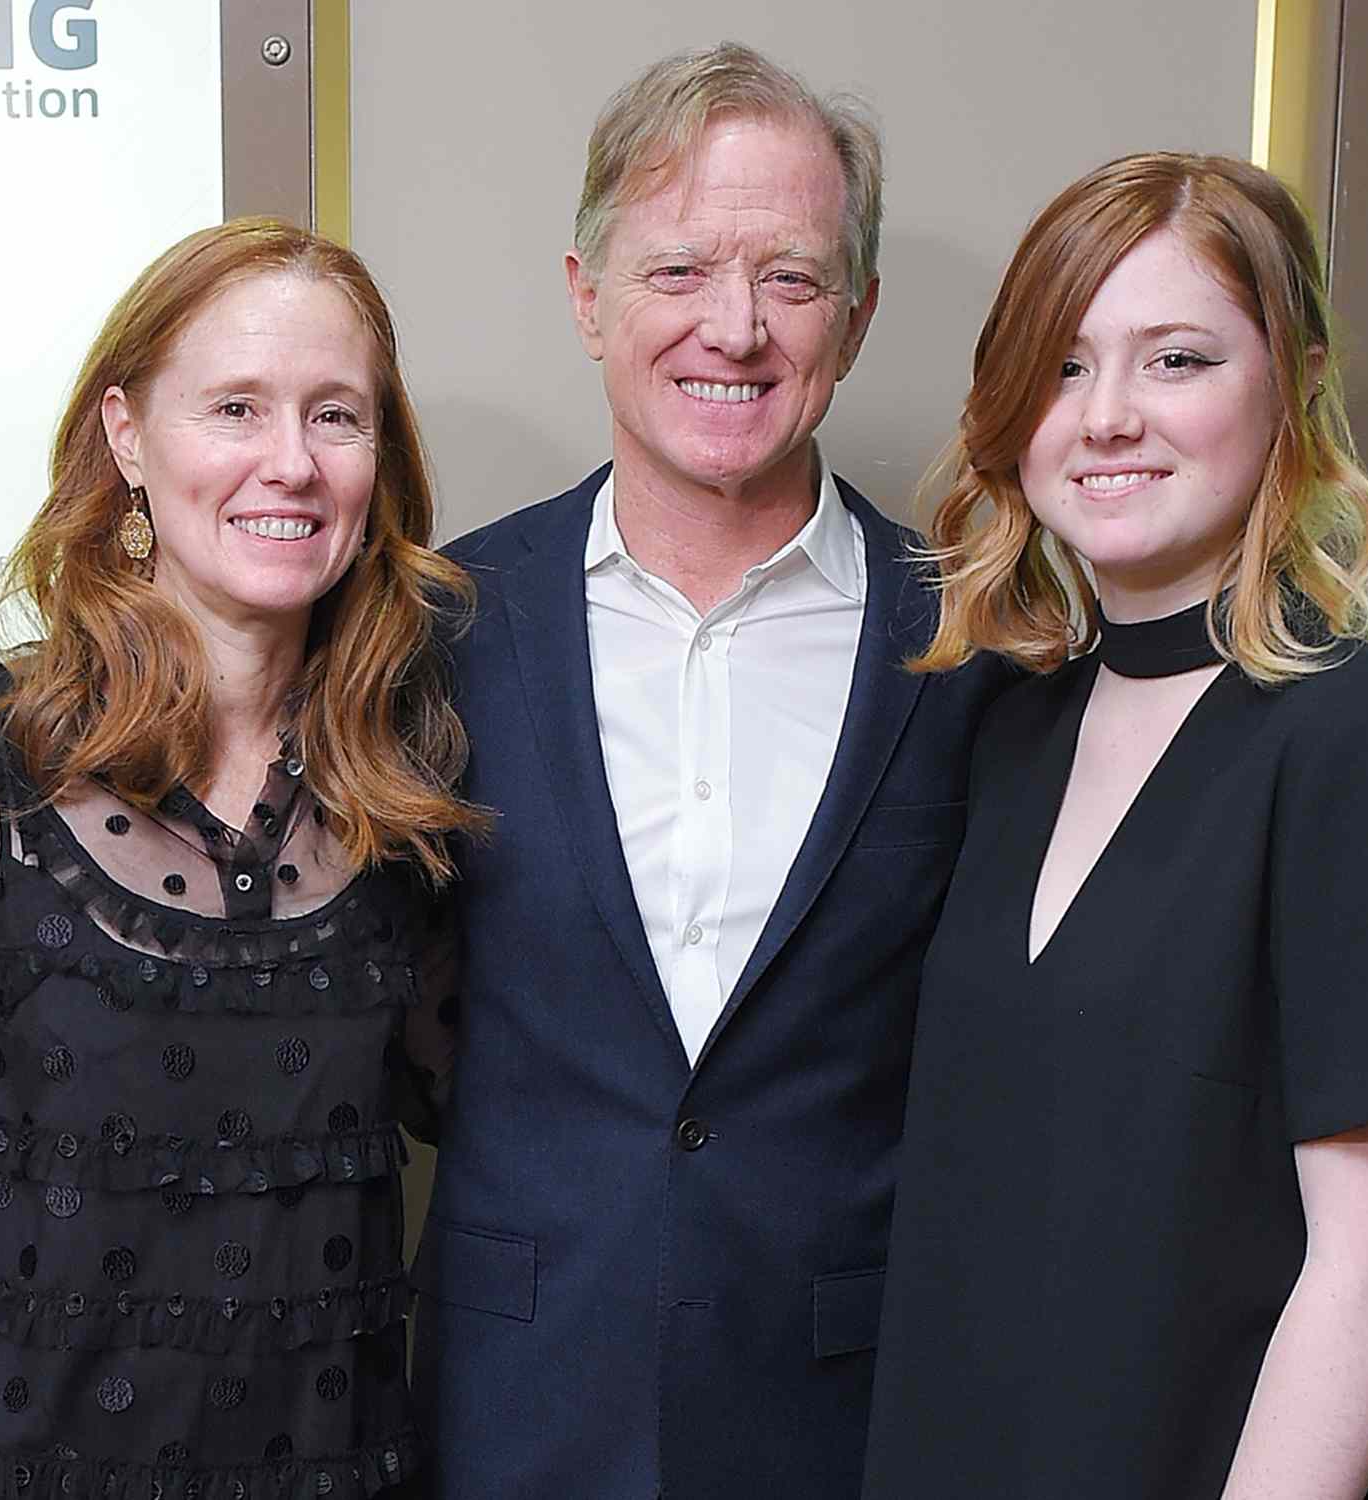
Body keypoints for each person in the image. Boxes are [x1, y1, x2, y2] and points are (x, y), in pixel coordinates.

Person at [0, 220, 482, 1500]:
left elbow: (493, 1116)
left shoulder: (414, 766)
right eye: (235, 408)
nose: (291, 464)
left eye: (336, 417)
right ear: (126, 437)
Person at [409, 43, 1007, 1500]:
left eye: (791, 280)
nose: (733, 329)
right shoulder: (435, 630)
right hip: (514, 1402)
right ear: (587, 297)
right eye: (678, 272)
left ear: (855, 319)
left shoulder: (980, 642)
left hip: (847, 1411)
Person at [860, 153, 1368, 1500]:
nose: (1106, 418)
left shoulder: (1358, 747)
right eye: (1064, 365)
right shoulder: (1009, 726)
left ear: (1295, 381)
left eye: (1178, 360)